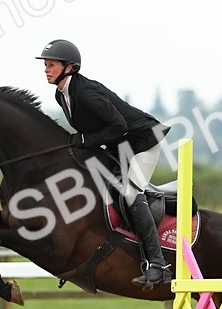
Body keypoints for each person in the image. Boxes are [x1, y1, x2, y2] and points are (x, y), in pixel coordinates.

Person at [35, 39, 172, 289]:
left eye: (51, 65)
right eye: (45, 65)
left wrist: (85, 139)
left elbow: (118, 125)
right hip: (119, 145)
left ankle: (158, 264)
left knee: (130, 193)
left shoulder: (85, 93)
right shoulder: (61, 94)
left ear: (70, 68)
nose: (46, 69)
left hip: (143, 141)